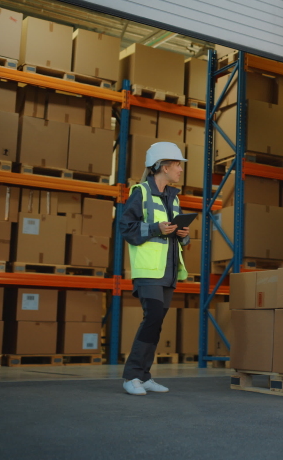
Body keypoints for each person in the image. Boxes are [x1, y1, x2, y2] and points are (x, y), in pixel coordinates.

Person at [120, 142, 190, 395]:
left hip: (168, 271)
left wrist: (183, 234)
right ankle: (131, 376)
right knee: (152, 319)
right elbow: (126, 229)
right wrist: (154, 229)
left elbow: (181, 238)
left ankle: (144, 375)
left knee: (156, 322)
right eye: (178, 165)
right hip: (149, 271)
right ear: (163, 166)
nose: (181, 170)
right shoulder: (140, 192)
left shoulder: (174, 197)